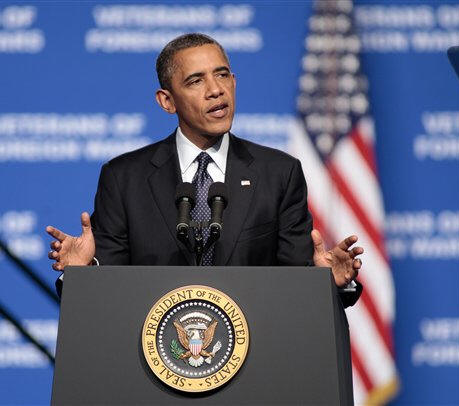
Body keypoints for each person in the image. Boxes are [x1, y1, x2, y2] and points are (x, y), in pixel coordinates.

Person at [46, 33, 363, 306]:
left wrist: (327, 281)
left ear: (234, 82)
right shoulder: (124, 178)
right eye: (196, 81)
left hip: (258, 350)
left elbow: (297, 283)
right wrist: (83, 272)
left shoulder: (279, 173)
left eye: (222, 75)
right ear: (167, 101)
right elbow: (108, 290)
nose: (215, 90)